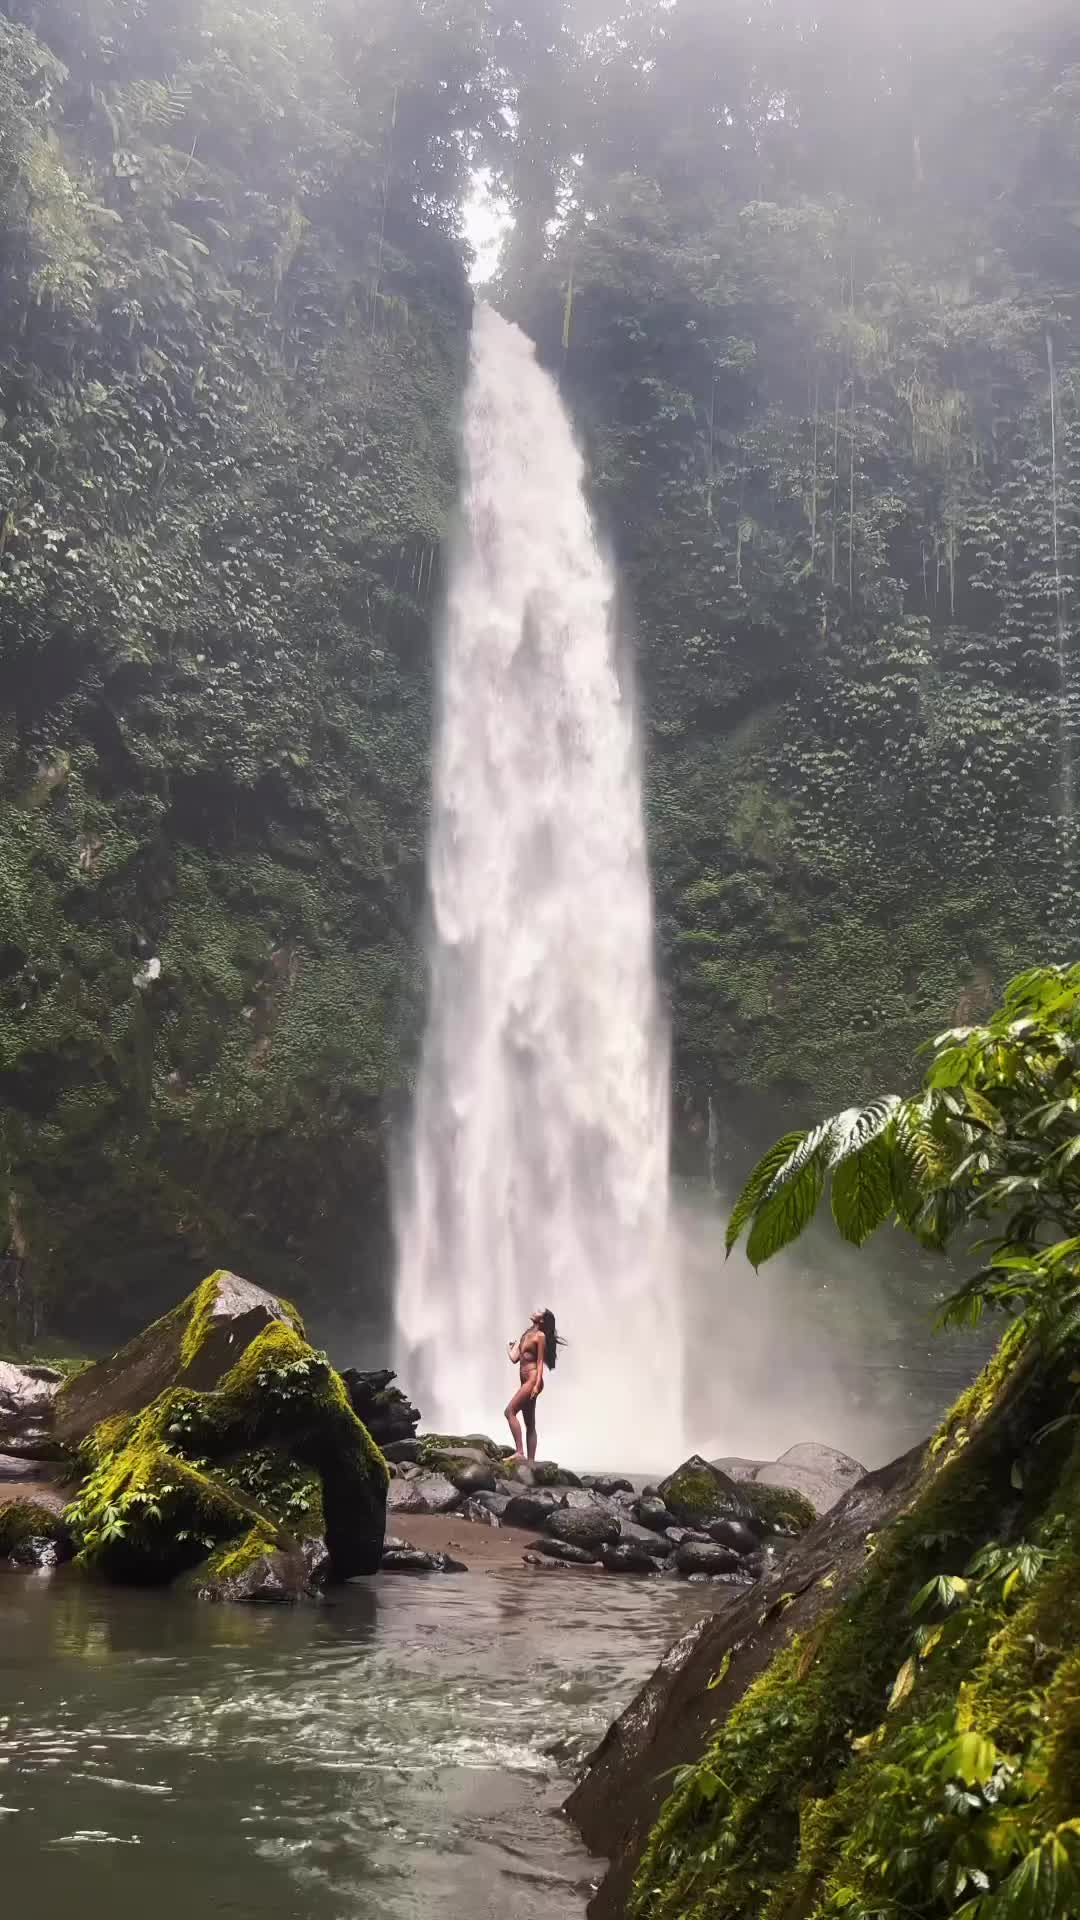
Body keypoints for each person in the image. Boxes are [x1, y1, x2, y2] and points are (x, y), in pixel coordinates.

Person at [505, 1307, 561, 1461]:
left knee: (509, 1412)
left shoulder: (540, 1336)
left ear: (542, 1320)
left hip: (533, 1379)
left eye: (539, 1312)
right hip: (525, 1380)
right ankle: (530, 1462)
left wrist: (536, 1385)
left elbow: (540, 1362)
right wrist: (509, 1349)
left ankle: (520, 1452)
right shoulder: (527, 1333)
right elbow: (515, 1358)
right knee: (529, 1422)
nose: (534, 1311)